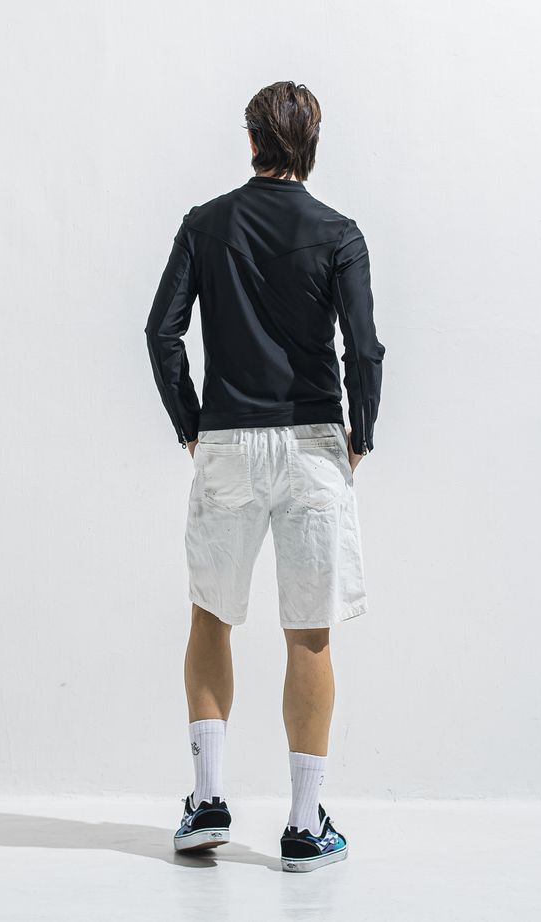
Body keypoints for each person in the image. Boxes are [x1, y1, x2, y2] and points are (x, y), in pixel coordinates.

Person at [144, 80, 385, 872]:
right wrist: (360, 433)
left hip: (228, 443)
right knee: (308, 634)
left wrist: (191, 423)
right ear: (312, 145)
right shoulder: (339, 233)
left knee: (212, 617)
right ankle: (305, 826)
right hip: (314, 444)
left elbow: (161, 332)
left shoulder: (205, 224)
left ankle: (208, 801)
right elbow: (364, 348)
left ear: (251, 141)